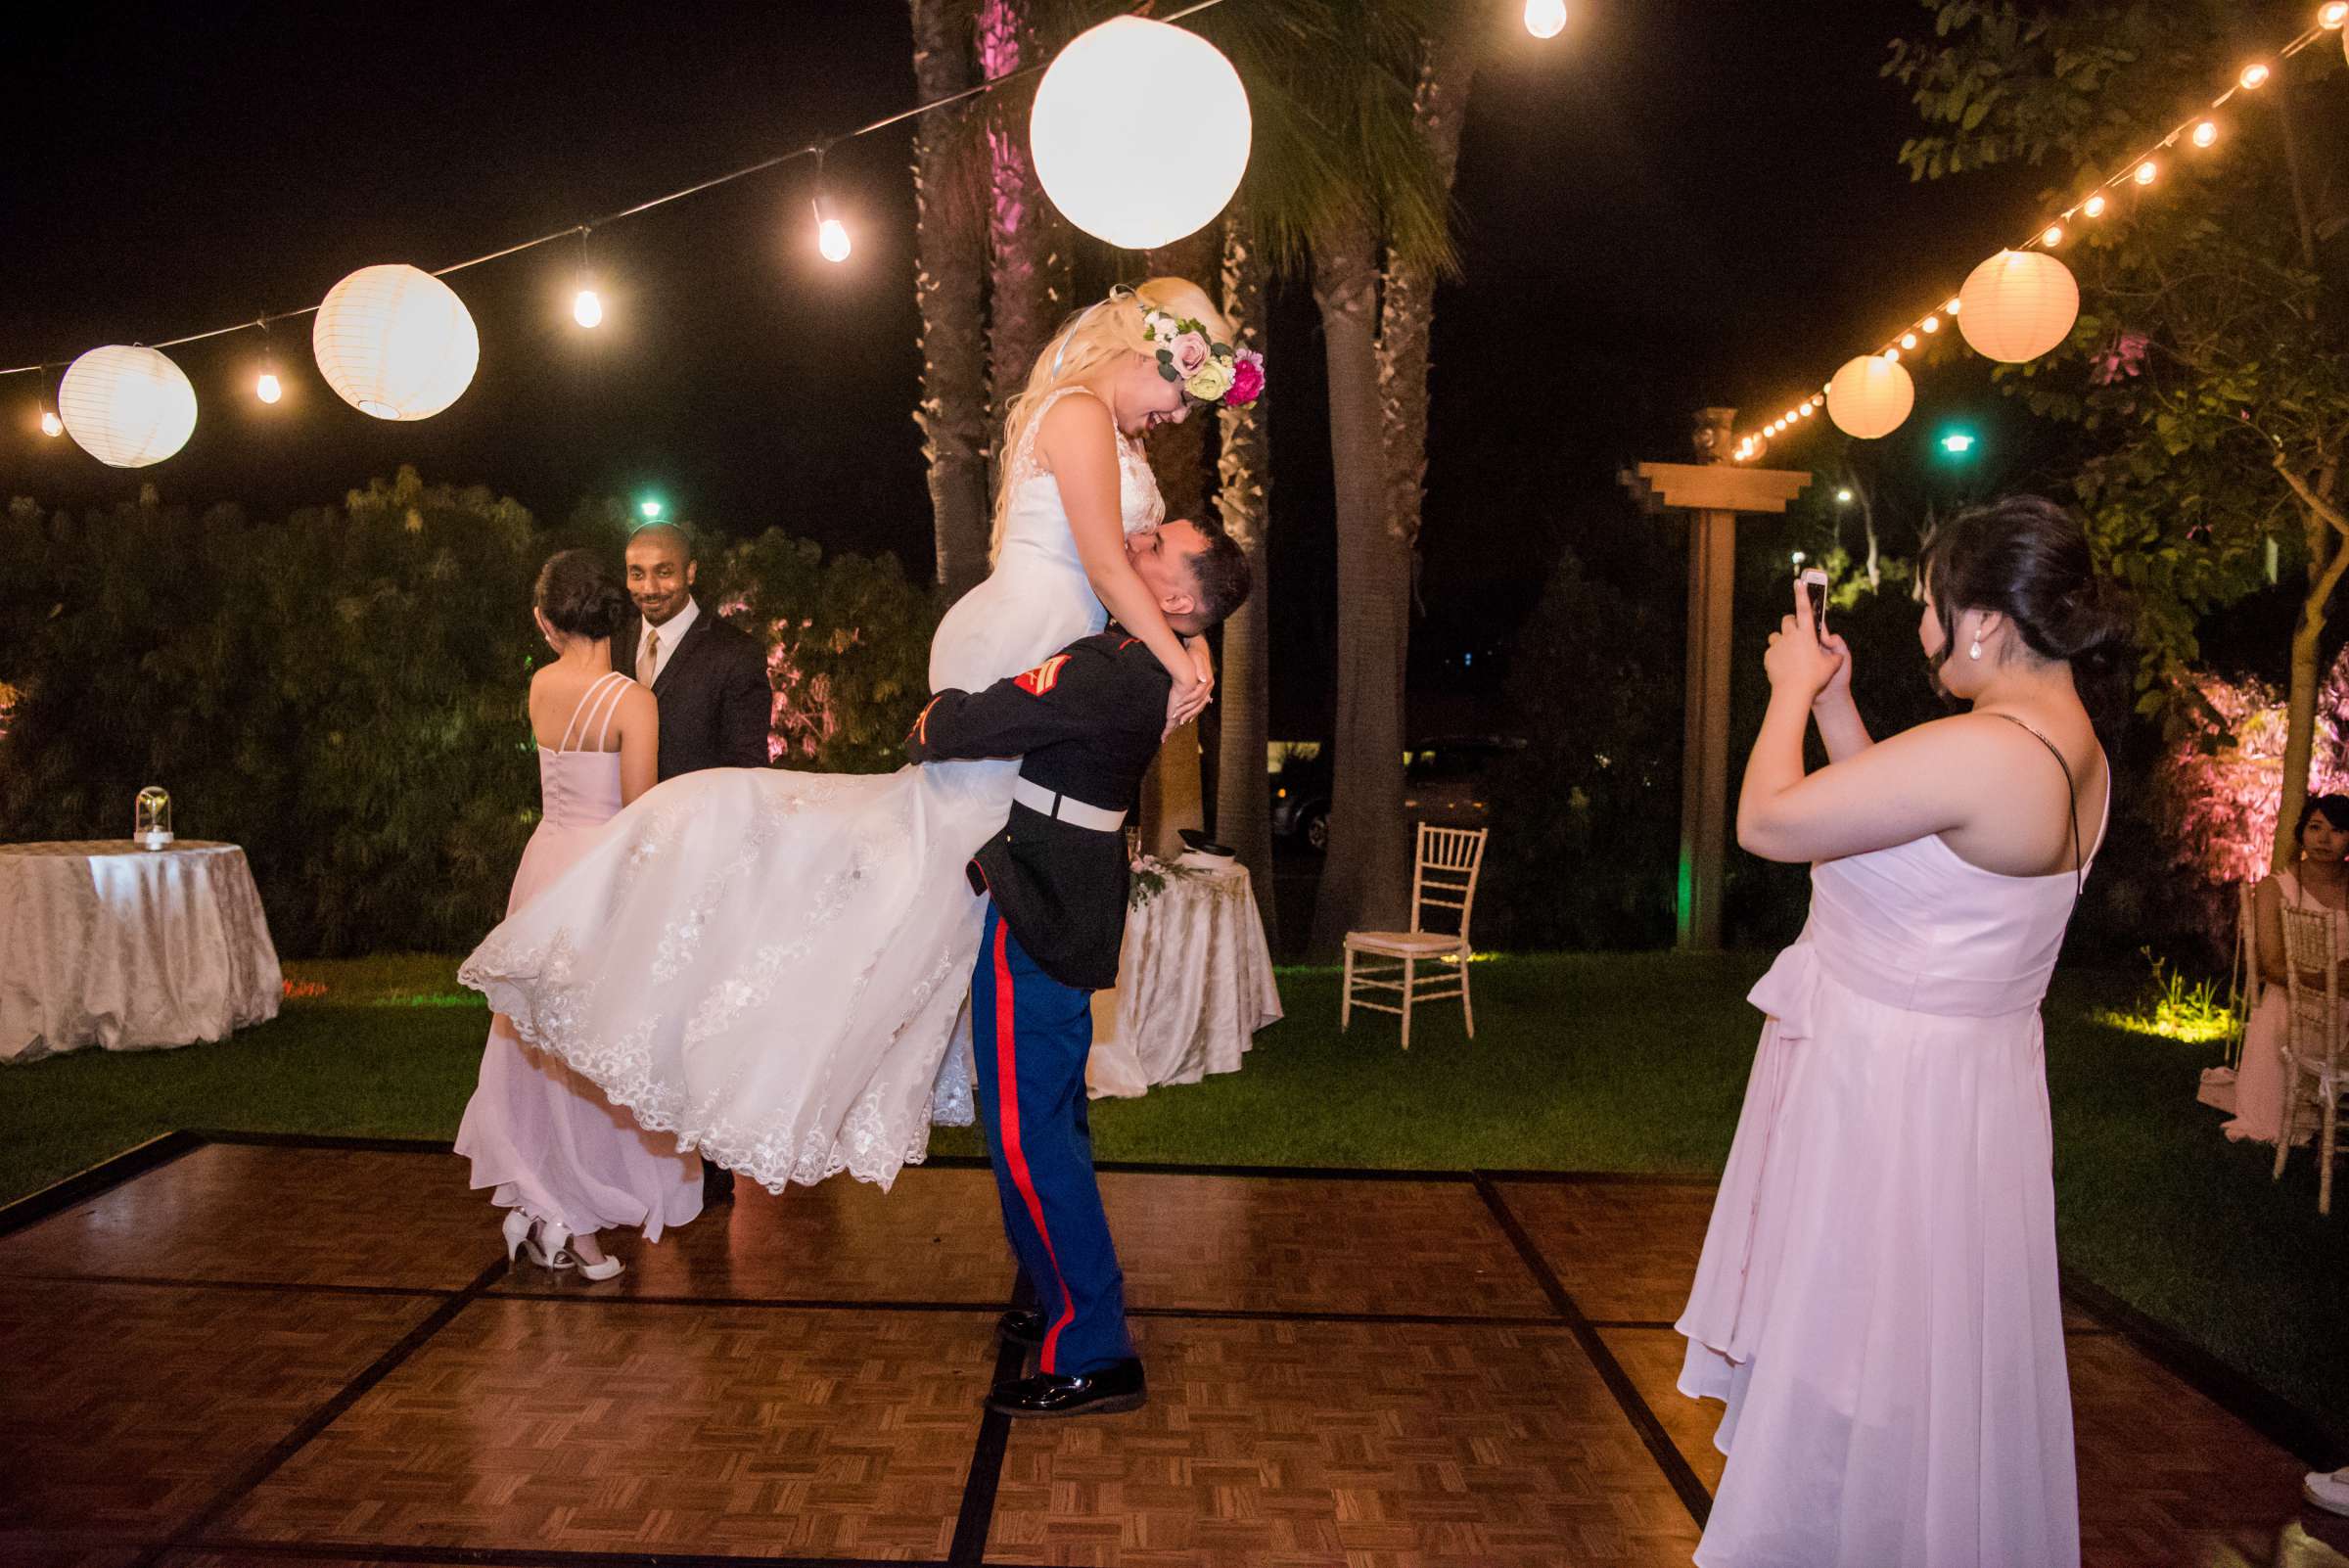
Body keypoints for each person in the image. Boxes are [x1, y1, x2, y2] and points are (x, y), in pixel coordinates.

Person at [459, 278, 1261, 1193]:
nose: (1174, 416)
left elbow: (1146, 578)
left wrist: (1172, 647)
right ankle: (792, 1027)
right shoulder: (1079, 412)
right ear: (1151, 352)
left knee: (956, 876)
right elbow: (1115, 565)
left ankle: (956, 1060)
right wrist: (1186, 660)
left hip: (1056, 643)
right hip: (1020, 635)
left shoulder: (1110, 430)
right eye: (1178, 393)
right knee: (934, 869)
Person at [1676, 494, 2132, 1567]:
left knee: (1855, 1353)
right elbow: (1901, 826)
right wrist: (1838, 706)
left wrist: (1787, 694)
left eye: (1933, 608)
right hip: (1962, 1095)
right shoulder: (2070, 749)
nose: (1925, 632)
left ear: (1987, 621)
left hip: (1888, 1100)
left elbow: (1768, 822)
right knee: (1916, 1362)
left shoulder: (1985, 751)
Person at [904, 517, 1252, 1417]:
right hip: (1062, 884)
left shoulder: (1111, 671)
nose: (1129, 542)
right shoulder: (1149, 656)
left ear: (1173, 598)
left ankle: (1094, 1347)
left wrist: (936, 711)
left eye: (1153, 548)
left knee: (1032, 1131)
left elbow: (962, 724)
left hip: (1046, 902)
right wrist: (1195, 646)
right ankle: (1060, 1299)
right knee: (1043, 1117)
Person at [454, 550, 703, 1280]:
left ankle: (538, 1205)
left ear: (544, 620)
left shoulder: (540, 684)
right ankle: (568, 1219)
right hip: (598, 879)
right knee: (594, 1055)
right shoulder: (633, 701)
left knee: (541, 1051)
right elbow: (637, 816)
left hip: (542, 869)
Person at [613, 522, 773, 1208]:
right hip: (621, 854)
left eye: (664, 572)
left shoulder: (734, 656)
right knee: (630, 1007)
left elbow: (747, 771)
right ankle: (628, 1153)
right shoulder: (613, 646)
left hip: (699, 860)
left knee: (696, 1013)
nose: (650, 587)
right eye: (637, 572)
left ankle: (707, 1162)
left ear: (692, 571)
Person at [2217, 795, 2349, 1144]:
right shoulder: (2277, 888)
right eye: (2316, 828)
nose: (2324, 840)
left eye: (2337, 831)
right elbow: (2272, 967)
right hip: (2293, 1004)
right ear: (2301, 832)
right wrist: (2330, 982)